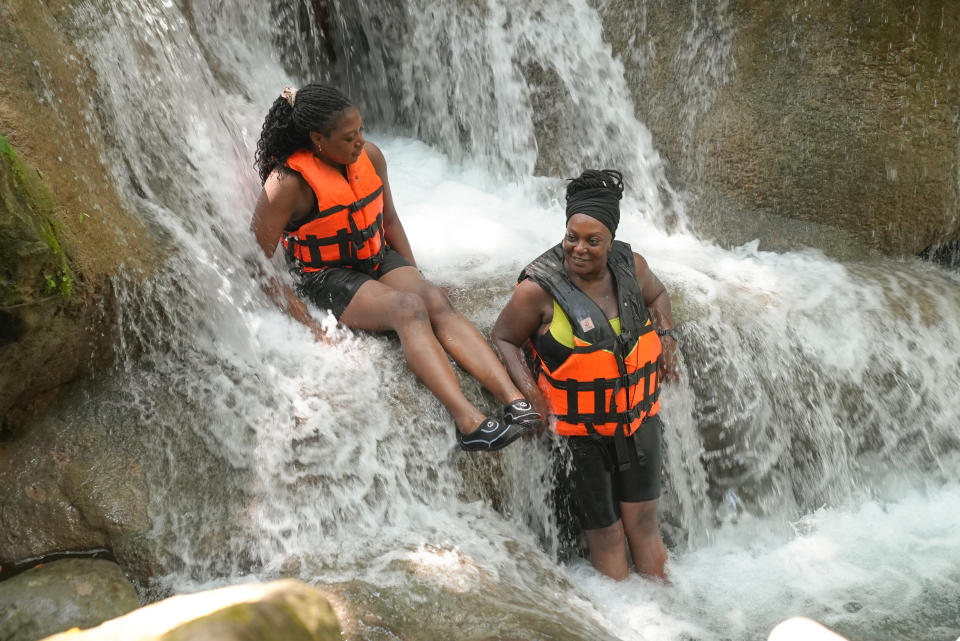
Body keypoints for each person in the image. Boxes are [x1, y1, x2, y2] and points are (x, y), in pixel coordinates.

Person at [251, 83, 541, 450]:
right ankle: (468, 422)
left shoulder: (370, 156)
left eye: (360, 131)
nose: (359, 142)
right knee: (409, 309)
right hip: (325, 276)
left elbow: (389, 221)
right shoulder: (287, 184)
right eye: (348, 137)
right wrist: (307, 325)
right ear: (317, 140)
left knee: (432, 299)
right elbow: (258, 259)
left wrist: (417, 276)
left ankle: (514, 401)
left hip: (374, 256)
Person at [491, 169, 679, 580]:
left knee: (645, 527)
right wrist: (529, 395)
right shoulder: (538, 289)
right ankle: (625, 620)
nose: (579, 249)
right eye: (571, 237)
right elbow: (503, 337)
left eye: (592, 241)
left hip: (639, 421)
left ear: (610, 241)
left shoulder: (632, 268)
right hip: (582, 439)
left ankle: (668, 613)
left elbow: (659, 294)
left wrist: (666, 334)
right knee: (609, 537)